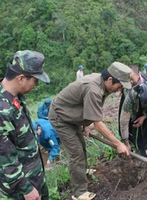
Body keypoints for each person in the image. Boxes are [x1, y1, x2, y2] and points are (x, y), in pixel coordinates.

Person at [49, 61, 132, 200]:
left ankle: (83, 170)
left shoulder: (102, 83)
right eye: (119, 85)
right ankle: (79, 192)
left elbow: (90, 105)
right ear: (110, 80)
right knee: (76, 153)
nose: (119, 89)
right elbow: (98, 124)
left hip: (72, 115)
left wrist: (86, 125)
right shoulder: (93, 88)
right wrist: (118, 143)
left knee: (81, 146)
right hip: (61, 118)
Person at [0, 50, 50, 200]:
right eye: (35, 80)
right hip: (21, 189)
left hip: (33, 177)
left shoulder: (14, 96)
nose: (36, 85)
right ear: (21, 78)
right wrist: (26, 189)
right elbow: (5, 158)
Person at [119, 66, 147, 158]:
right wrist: (126, 142)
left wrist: (145, 116)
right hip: (133, 102)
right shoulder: (131, 96)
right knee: (131, 122)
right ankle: (130, 144)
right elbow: (123, 121)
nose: (130, 81)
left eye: (132, 79)